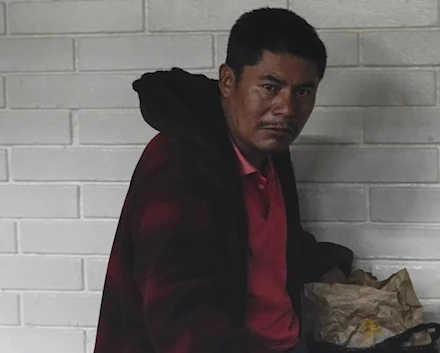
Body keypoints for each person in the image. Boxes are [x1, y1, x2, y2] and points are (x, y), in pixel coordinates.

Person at [94, 7, 353, 353]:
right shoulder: (178, 165)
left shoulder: (270, 149)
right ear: (228, 82)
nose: (287, 108)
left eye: (303, 92)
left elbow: (265, 245)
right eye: (270, 86)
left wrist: (328, 268)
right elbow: (179, 320)